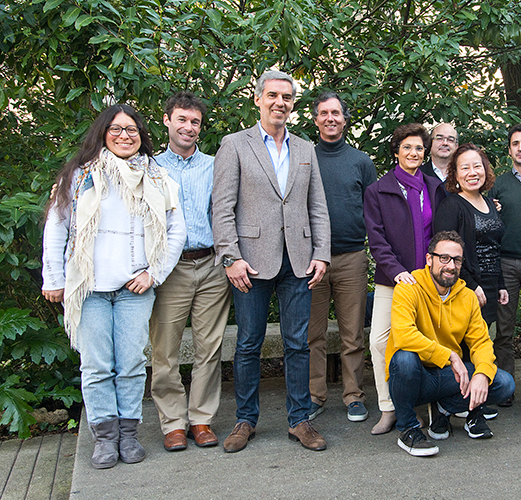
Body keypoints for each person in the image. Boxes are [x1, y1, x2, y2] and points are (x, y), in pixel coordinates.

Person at [42, 104, 186, 469]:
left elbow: (176, 231)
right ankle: (104, 438)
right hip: (88, 287)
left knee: (132, 365)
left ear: (142, 136)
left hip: (133, 289)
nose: (125, 136)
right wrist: (54, 278)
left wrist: (153, 273)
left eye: (132, 130)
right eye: (117, 129)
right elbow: (56, 227)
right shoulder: (78, 177)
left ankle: (128, 434)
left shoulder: (158, 178)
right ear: (103, 133)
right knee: (96, 366)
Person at [212, 70, 331, 453]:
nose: (280, 102)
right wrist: (230, 257)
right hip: (251, 262)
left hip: (298, 261)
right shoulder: (234, 145)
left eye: (287, 97)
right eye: (273, 96)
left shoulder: (304, 149)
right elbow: (222, 207)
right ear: (258, 99)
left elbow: (318, 208)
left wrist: (321, 254)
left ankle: (300, 421)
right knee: (248, 343)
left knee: (298, 343)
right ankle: (245, 420)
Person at [149, 91, 232, 452]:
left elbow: (227, 212)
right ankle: (172, 423)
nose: (188, 127)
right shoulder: (149, 168)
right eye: (181, 119)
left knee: (208, 348)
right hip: (170, 270)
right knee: (165, 351)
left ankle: (200, 419)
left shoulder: (215, 165)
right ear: (167, 120)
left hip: (212, 265)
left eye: (195, 121)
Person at [386, 231, 515, 456]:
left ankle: (445, 407)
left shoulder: (467, 297)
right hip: (417, 378)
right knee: (404, 358)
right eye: (444, 258)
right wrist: (451, 356)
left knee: (503, 383)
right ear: (429, 260)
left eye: (456, 260)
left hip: (449, 377)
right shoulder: (409, 287)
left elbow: (481, 342)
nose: (451, 266)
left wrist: (482, 374)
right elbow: (403, 334)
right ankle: (408, 430)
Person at [364, 123, 447, 435]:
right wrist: (397, 271)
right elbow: (377, 239)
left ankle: (423, 408)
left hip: (428, 281)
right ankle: (389, 408)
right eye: (407, 147)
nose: (414, 153)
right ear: (396, 151)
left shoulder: (434, 188)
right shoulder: (378, 191)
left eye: (419, 148)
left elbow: (443, 231)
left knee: (429, 342)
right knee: (380, 341)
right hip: (392, 279)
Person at [307, 92, 377, 423]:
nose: (330, 118)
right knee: (313, 334)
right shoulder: (303, 157)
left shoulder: (361, 161)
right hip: (311, 260)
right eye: (324, 113)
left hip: (351, 257)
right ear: (316, 119)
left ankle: (353, 395)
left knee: (352, 334)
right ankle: (314, 395)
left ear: (345, 119)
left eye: (336, 113)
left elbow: (372, 210)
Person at [486, 124, 521, 407]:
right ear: (509, 149)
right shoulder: (498, 183)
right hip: (505, 262)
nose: (520, 148)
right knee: (504, 329)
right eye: (515, 143)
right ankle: (505, 386)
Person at [434, 143, 508, 326]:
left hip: (490, 288)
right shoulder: (451, 206)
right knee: (464, 349)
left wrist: (501, 285)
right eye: (465, 168)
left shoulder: (490, 204)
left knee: (482, 347)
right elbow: (444, 255)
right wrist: (471, 286)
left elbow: (494, 247)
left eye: (477, 166)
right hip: (463, 287)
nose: (472, 172)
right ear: (456, 174)